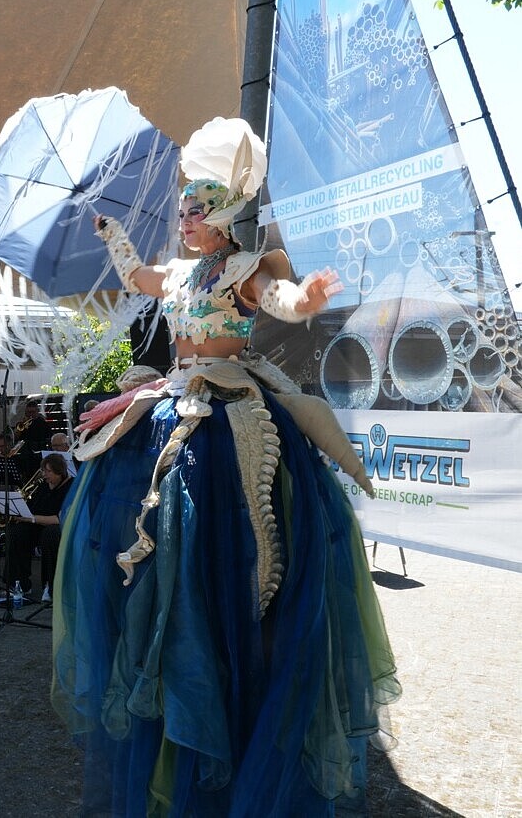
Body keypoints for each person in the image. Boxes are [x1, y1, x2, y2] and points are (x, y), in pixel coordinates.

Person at [50, 124, 400, 815]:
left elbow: (281, 303)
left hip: (230, 405)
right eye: (180, 211)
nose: (182, 221)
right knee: (134, 518)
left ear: (218, 217)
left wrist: (308, 300)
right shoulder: (178, 273)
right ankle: (169, 657)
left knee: (228, 541)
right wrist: (112, 234)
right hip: (171, 398)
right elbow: (135, 278)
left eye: (192, 211)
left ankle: (232, 668)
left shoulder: (245, 269)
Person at [3, 453, 73, 603]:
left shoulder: (70, 487)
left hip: (58, 528)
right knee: (17, 532)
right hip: (38, 525)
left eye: (48, 471)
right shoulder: (42, 486)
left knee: (50, 535)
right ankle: (19, 582)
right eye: (43, 470)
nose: (44, 474)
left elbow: (59, 519)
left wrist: (31, 518)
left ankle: (50, 585)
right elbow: (31, 509)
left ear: (59, 472)